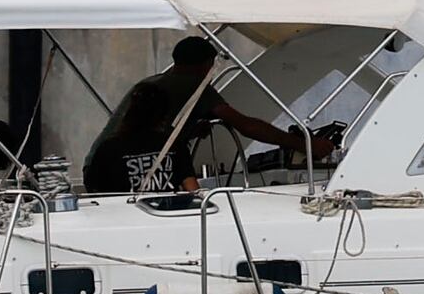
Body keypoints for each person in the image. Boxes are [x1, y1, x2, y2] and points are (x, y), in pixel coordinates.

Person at [82, 35, 310, 193]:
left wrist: (190, 130)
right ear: (206, 66)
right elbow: (246, 125)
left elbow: (142, 133)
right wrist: (304, 145)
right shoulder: (195, 86)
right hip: (136, 174)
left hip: (98, 166)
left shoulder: (149, 83)